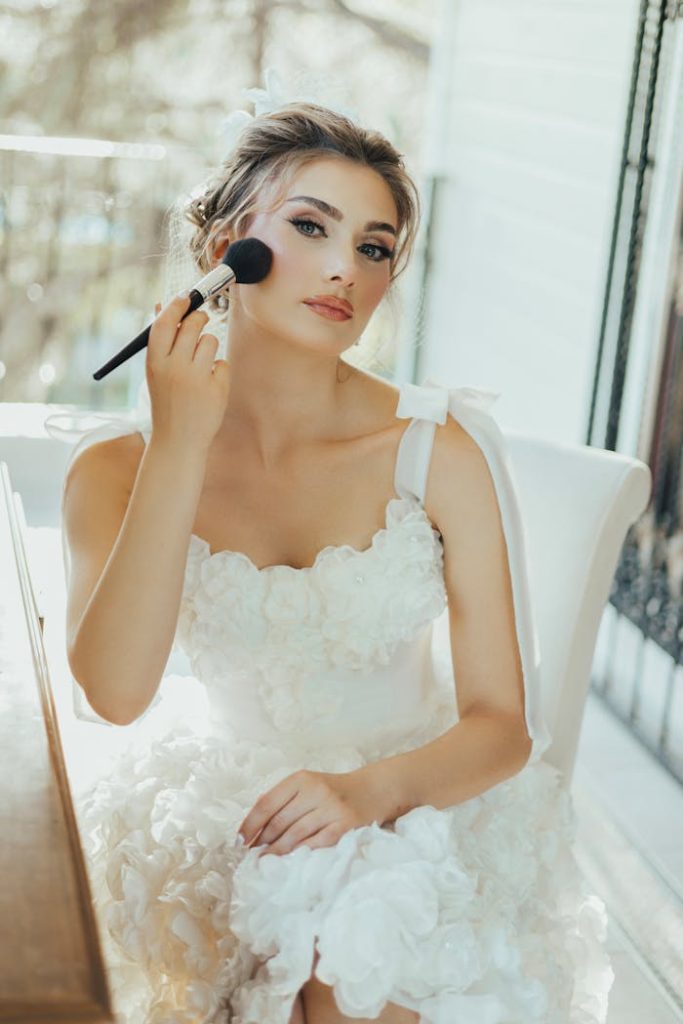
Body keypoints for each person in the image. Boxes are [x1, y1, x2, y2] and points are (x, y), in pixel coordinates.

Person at [47, 79, 614, 1024]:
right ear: (228, 246)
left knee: (345, 957)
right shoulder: (115, 469)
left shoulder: (439, 451)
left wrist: (363, 794)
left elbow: (502, 724)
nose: (344, 268)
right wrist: (180, 444)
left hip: (416, 802)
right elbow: (114, 695)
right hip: (234, 811)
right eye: (310, 227)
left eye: (374, 246)